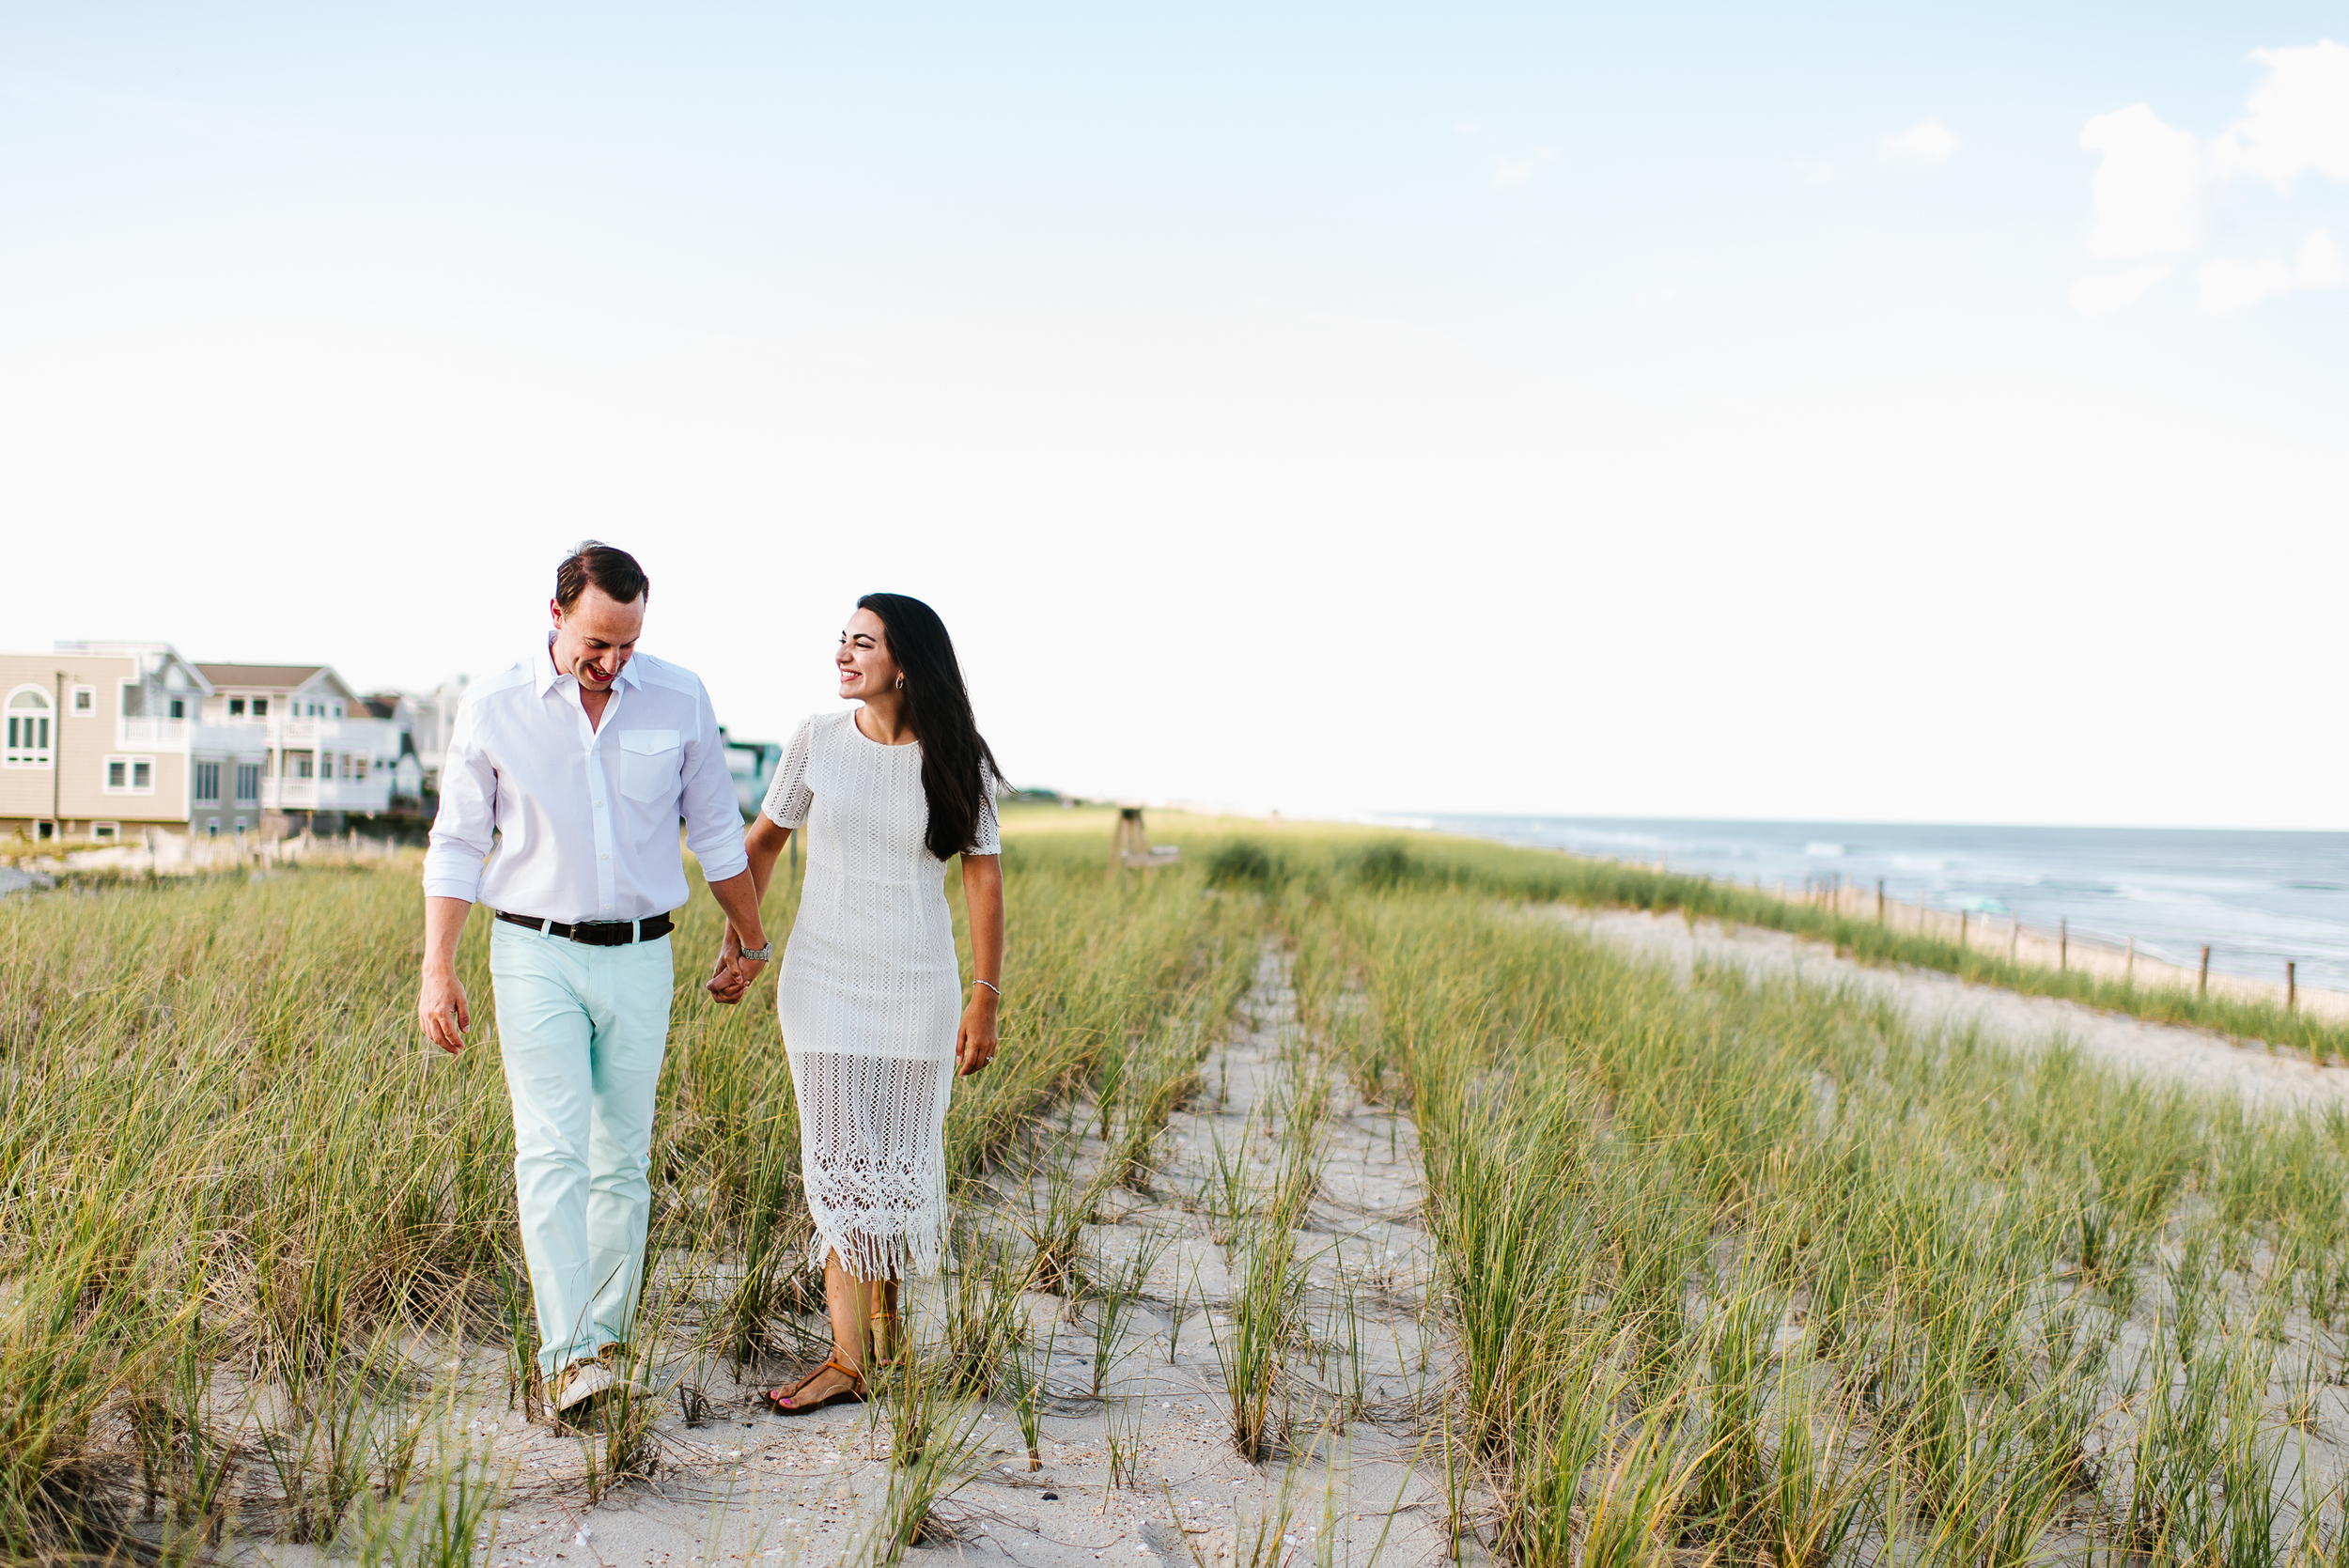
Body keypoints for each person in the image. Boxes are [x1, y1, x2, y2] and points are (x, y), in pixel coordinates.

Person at [417, 542, 772, 1418]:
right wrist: (437, 966)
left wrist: (752, 939)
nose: (611, 663)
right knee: (550, 1151)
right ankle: (567, 1353)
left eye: (627, 643)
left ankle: (609, 1339)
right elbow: (459, 841)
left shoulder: (681, 696)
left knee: (623, 1157)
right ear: (556, 613)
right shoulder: (495, 705)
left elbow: (719, 832)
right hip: (532, 950)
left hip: (645, 953)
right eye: (596, 644)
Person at [708, 592, 1004, 1413]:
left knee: (900, 1167)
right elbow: (761, 843)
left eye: (862, 644)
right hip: (823, 986)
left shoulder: (957, 758)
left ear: (903, 663)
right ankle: (848, 1358)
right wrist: (743, 938)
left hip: (916, 986)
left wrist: (985, 995)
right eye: (842, 641)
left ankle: (886, 1330)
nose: (843, 655)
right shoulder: (817, 742)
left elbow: (983, 874)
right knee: (841, 1167)